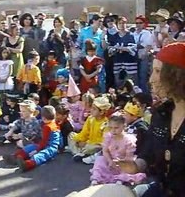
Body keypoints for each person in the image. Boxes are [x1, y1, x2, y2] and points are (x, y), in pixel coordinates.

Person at [114, 43, 185, 197]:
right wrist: (136, 166)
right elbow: (148, 153)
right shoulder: (161, 114)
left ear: (178, 76)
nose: (151, 79)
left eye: (158, 71)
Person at [90, 115, 146, 185]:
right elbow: (105, 151)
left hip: (123, 162)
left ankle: (120, 179)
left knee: (127, 169)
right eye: (111, 128)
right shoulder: (109, 137)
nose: (113, 130)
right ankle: (96, 178)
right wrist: (110, 161)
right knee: (100, 159)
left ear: (124, 126)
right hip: (110, 160)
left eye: (116, 128)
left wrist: (119, 162)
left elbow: (129, 158)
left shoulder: (128, 140)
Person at [3, 106, 61, 172]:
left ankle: (27, 164)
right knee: (29, 147)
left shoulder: (47, 127)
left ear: (43, 117)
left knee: (41, 155)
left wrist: (36, 150)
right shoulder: (54, 123)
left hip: (50, 147)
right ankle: (16, 157)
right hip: (42, 144)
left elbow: (44, 142)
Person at [68, 96, 111, 162]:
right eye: (92, 108)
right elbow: (84, 133)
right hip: (87, 142)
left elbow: (103, 141)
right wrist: (79, 140)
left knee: (93, 147)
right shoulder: (90, 119)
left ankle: (78, 151)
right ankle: (79, 153)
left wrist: (86, 143)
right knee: (71, 135)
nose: (91, 110)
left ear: (101, 112)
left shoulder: (105, 123)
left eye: (94, 109)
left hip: (95, 145)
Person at [107, 16, 138, 88]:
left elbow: (134, 49)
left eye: (123, 23)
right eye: (120, 23)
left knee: (132, 85)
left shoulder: (132, 36)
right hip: (118, 62)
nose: (122, 25)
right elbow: (110, 50)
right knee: (119, 84)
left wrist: (122, 48)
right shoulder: (114, 37)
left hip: (130, 63)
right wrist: (114, 50)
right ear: (117, 25)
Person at [80, 14, 107, 92]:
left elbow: (104, 47)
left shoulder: (102, 32)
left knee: (100, 81)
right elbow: (78, 43)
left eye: (102, 21)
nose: (101, 23)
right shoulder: (84, 31)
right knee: (86, 83)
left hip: (98, 60)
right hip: (86, 61)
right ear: (94, 21)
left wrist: (103, 38)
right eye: (99, 21)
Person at [132, 15, 153, 93]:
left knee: (143, 76)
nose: (138, 24)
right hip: (134, 57)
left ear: (144, 23)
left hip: (143, 56)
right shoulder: (133, 33)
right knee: (135, 77)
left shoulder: (146, 33)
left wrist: (135, 45)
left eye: (140, 23)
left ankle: (144, 95)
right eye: (136, 23)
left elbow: (145, 45)